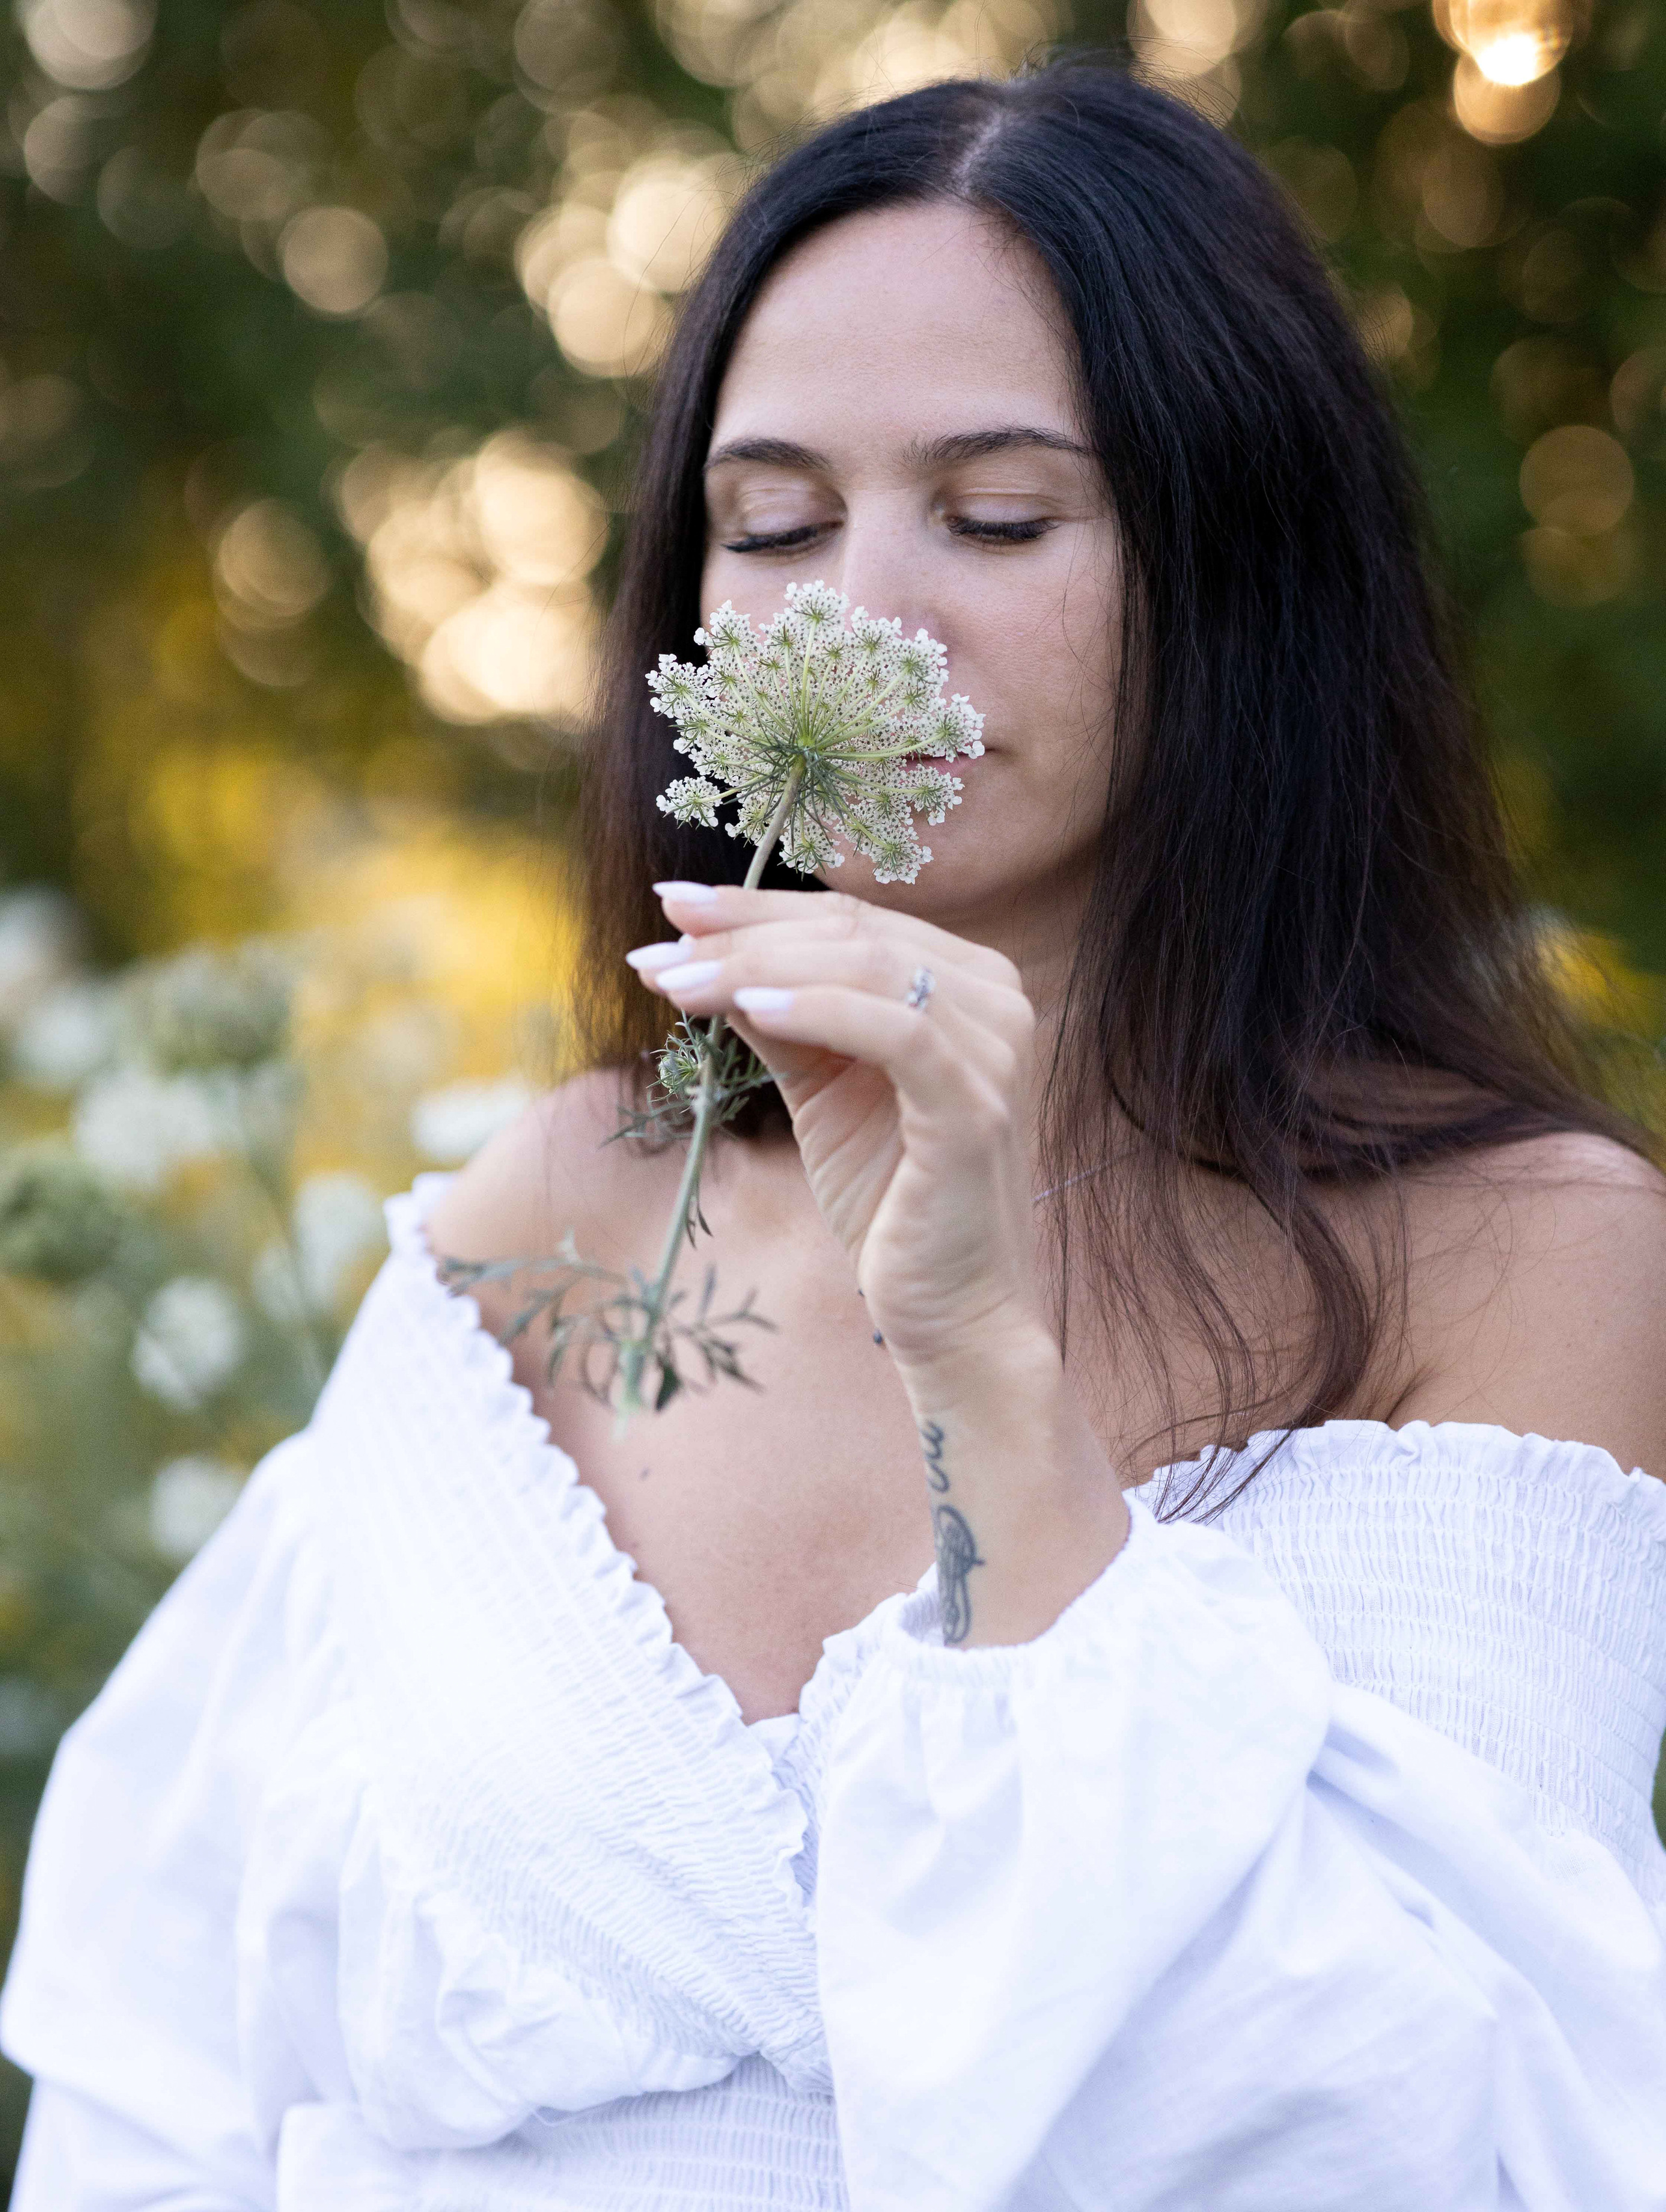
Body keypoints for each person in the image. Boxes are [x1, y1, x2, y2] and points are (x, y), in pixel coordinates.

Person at [5, 58, 1665, 2212]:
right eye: (774, 524)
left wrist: (983, 1353)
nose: (861, 612)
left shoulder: (1520, 1253)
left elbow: (1429, 2138)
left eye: (997, 516)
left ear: (1243, 574)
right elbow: (181, 2057)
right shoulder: (553, 1211)